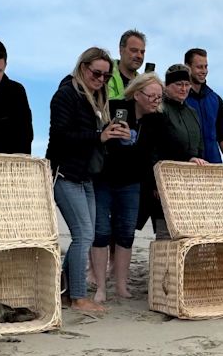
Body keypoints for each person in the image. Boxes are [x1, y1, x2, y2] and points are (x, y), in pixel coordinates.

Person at [47, 47, 127, 315]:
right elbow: (60, 137)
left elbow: (95, 138)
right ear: (83, 68)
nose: (101, 79)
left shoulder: (96, 97)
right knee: (83, 235)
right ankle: (78, 298)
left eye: (106, 76)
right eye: (96, 73)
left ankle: (66, 291)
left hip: (85, 175)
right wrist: (99, 136)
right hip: (65, 173)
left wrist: (113, 135)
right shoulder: (65, 94)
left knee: (87, 235)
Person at [93, 73, 160, 301]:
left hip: (131, 184)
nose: (156, 101)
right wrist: (112, 135)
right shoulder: (116, 108)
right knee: (100, 233)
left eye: (159, 97)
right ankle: (101, 287)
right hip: (104, 180)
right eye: (152, 96)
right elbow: (101, 138)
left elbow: (150, 156)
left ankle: (121, 286)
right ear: (137, 94)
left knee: (125, 234)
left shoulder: (155, 121)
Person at [138, 64, 207, 239]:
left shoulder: (192, 112)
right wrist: (155, 183)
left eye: (187, 84)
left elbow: (199, 145)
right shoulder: (159, 109)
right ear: (167, 86)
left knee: (187, 232)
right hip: (165, 180)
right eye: (178, 84)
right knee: (165, 233)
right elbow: (153, 148)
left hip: (189, 182)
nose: (184, 88)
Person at [185, 47, 223, 165]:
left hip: (214, 166)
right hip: (187, 167)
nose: (204, 71)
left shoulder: (216, 100)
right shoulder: (179, 98)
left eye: (205, 66)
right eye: (199, 67)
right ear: (187, 67)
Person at [106, 29, 147, 101]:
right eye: (134, 50)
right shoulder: (104, 74)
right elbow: (105, 103)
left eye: (142, 52)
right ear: (121, 50)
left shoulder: (143, 83)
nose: (139, 56)